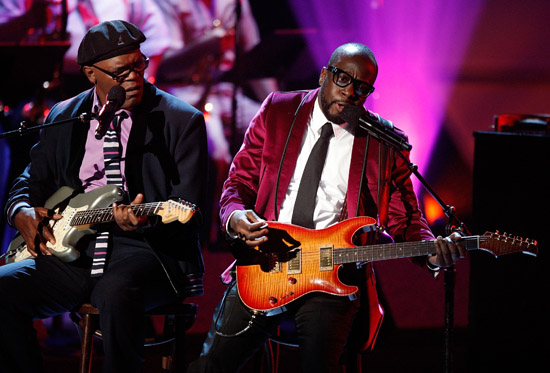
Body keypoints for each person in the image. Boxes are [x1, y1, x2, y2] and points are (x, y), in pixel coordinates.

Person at [187, 42, 466, 372]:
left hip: (332, 276)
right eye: (343, 79)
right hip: (266, 262)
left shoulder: (382, 141)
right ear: (324, 75)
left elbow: (403, 217)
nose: (351, 92)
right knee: (209, 366)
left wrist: (431, 251)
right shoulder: (278, 110)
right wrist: (235, 217)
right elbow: (239, 183)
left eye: (362, 87)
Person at [0, 19, 208, 372]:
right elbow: (29, 179)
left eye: (138, 65)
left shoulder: (179, 120)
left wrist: (143, 223)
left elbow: (189, 211)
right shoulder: (67, 115)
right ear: (90, 74)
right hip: (74, 251)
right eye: (120, 72)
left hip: (146, 252)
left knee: (114, 290)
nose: (134, 77)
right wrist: (20, 211)